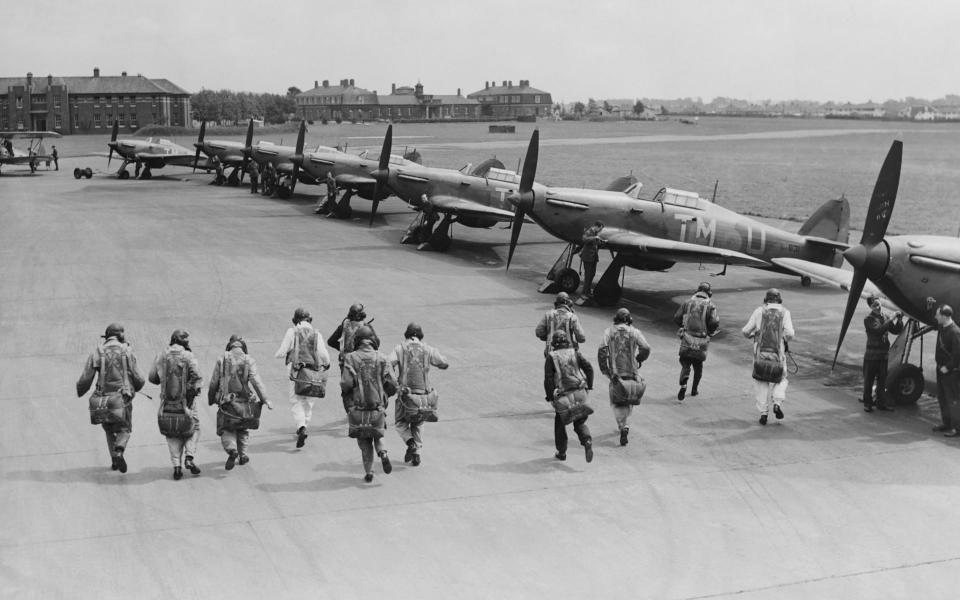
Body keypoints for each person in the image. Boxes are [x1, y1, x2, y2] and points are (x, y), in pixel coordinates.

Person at [76, 323, 146, 473]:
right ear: (121, 336)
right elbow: (139, 377)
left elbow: (85, 378)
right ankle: (119, 450)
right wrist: (136, 388)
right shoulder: (127, 351)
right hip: (122, 397)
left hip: (103, 399)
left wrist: (80, 390)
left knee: (108, 429)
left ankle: (114, 460)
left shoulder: (98, 352)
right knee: (124, 428)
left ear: (107, 337)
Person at [208, 335, 273, 470]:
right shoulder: (249, 360)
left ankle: (232, 450)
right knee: (243, 427)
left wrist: (211, 399)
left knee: (227, 429)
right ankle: (243, 455)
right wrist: (264, 399)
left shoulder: (222, 359)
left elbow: (214, 382)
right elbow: (256, 381)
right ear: (243, 347)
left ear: (229, 346)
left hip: (227, 402)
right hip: (244, 402)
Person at [341, 326, 397, 482]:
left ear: (357, 340)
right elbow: (393, 383)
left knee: (364, 439)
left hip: (358, 406)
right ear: (373, 340)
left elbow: (345, 383)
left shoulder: (351, 358)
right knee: (377, 433)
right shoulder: (382, 358)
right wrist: (384, 395)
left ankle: (369, 472)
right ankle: (383, 453)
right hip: (377, 406)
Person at [389, 323, 449, 466]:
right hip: (424, 397)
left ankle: (410, 443)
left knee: (400, 422)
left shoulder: (399, 348)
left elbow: (388, 364)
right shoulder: (428, 349)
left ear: (407, 334)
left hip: (406, 395)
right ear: (420, 336)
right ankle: (417, 453)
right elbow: (444, 363)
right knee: (419, 422)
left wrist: (395, 384)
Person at [149, 329, 203, 480]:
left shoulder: (161, 355)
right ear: (185, 342)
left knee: (171, 432)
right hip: (186, 403)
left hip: (166, 403)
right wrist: (190, 394)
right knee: (194, 428)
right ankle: (189, 457)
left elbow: (152, 378)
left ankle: (176, 466)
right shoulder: (188, 356)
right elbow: (198, 378)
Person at [275, 308, 331, 448]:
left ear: (295, 320)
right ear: (309, 320)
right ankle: (304, 424)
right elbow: (324, 354)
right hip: (312, 371)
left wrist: (278, 355)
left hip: (296, 372)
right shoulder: (316, 333)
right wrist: (327, 364)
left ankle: (301, 427)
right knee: (309, 400)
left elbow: (282, 351)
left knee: (296, 400)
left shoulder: (292, 332)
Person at [598, 308, 651, 446]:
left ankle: (623, 426)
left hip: (616, 373)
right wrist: (639, 358)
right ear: (629, 320)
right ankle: (624, 424)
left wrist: (605, 370)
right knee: (629, 397)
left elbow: (602, 351)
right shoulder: (634, 332)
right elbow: (646, 347)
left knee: (617, 401)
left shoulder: (608, 332)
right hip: (632, 372)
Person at [742, 289, 794, 425]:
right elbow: (790, 333)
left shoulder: (759, 311)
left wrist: (753, 335)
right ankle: (777, 402)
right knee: (781, 379)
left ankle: (763, 413)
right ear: (779, 300)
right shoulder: (785, 313)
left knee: (761, 382)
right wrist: (783, 339)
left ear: (766, 300)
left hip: (760, 356)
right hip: (778, 356)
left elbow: (745, 331)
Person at [546, 330, 594, 462]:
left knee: (560, 424)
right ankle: (587, 440)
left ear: (554, 344)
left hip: (563, 397)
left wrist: (550, 396)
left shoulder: (552, 357)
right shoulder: (575, 353)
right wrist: (589, 385)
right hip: (580, 393)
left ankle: (561, 453)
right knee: (580, 422)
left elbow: (548, 379)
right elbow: (589, 368)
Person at [673, 282, 720, 400]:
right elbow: (714, 322)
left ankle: (684, 383)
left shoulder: (687, 302)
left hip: (687, 337)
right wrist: (709, 331)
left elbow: (676, 317)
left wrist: (684, 326)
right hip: (701, 340)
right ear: (709, 293)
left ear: (697, 291)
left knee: (685, 362)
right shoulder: (710, 305)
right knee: (698, 366)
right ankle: (694, 390)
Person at [862, 295, 903, 412]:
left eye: (879, 304)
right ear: (870, 306)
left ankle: (881, 403)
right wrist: (892, 318)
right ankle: (867, 403)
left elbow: (895, 330)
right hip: (872, 355)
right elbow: (878, 330)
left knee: (882, 381)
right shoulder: (868, 319)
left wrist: (899, 319)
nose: (878, 307)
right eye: (874, 305)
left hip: (883, 355)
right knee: (868, 381)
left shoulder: (885, 317)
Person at [934, 305, 960, 436]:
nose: (935, 317)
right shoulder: (942, 327)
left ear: (944, 317)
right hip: (940, 369)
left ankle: (957, 428)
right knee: (942, 397)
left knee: (953, 399)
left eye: (937, 315)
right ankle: (947, 423)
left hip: (951, 371)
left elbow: (957, 355)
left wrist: (948, 367)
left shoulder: (955, 332)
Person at [328, 303, 379, 369]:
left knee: (346, 379)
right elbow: (377, 343)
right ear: (362, 315)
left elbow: (331, 342)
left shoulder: (344, 326)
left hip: (346, 362)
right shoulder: (366, 327)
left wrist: (344, 349)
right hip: (361, 363)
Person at [535, 292, 586, 357]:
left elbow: (539, 332)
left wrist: (547, 337)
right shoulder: (572, 317)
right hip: (568, 354)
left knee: (549, 366)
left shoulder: (548, 314)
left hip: (550, 352)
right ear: (568, 304)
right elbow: (582, 338)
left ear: (556, 303)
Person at [579, 221, 604, 297]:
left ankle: (587, 290)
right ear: (596, 226)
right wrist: (594, 238)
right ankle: (586, 292)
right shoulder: (589, 232)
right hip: (588, 257)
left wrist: (601, 242)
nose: (600, 231)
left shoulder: (595, 233)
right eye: (600, 229)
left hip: (593, 257)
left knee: (592, 274)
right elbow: (584, 239)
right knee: (588, 275)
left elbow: (595, 244)